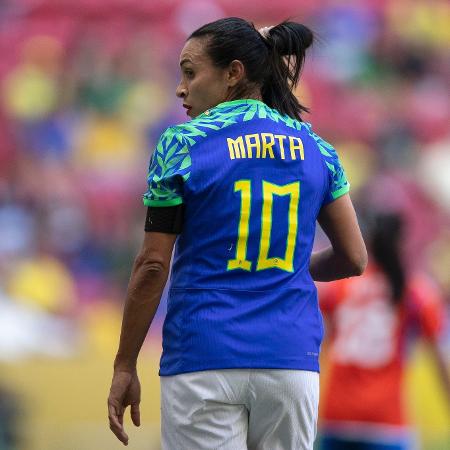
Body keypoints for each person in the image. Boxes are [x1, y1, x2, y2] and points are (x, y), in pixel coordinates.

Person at [107, 17, 367, 450]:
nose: (180, 88)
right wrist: (285, 266)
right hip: (290, 359)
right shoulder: (317, 148)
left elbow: (154, 264)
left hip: (202, 356)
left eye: (190, 72)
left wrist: (124, 364)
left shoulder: (181, 144)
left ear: (233, 73)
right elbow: (354, 258)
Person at [318, 212, 450, 450]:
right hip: (385, 421)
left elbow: (317, 342)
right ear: (402, 243)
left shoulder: (341, 287)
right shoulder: (414, 292)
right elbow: (440, 360)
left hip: (336, 415)